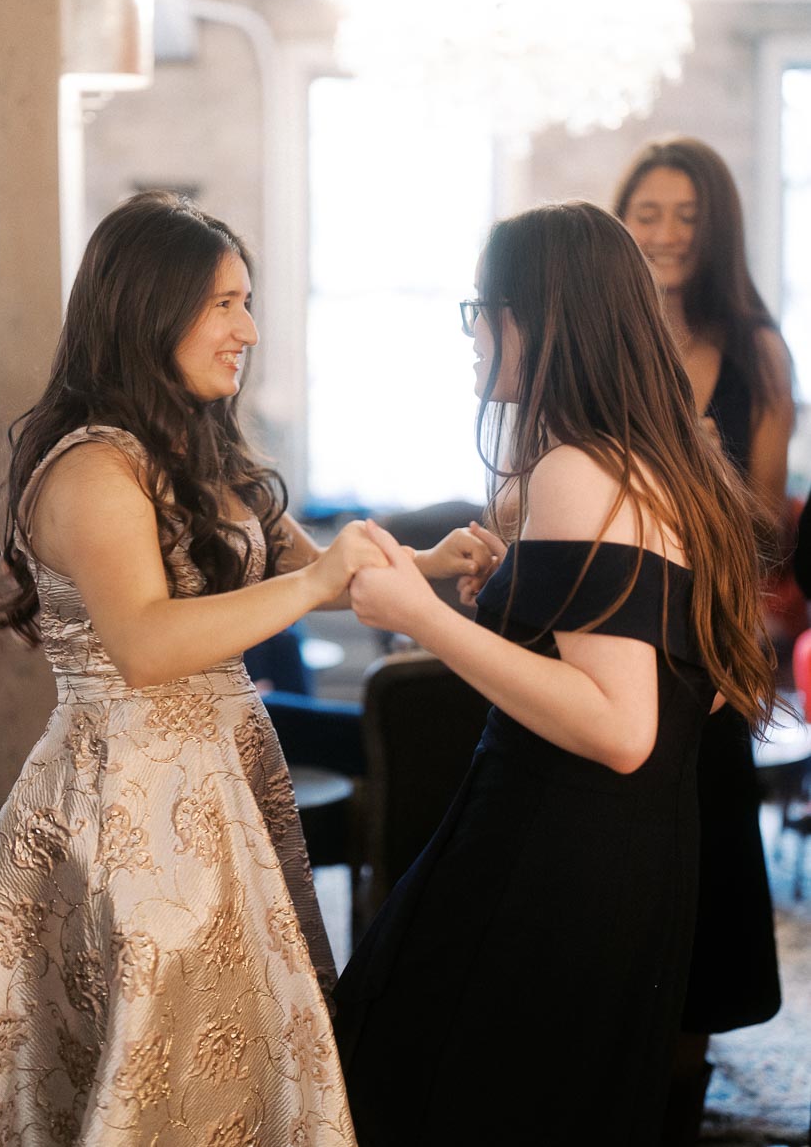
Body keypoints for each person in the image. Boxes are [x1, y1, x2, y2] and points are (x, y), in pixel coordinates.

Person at [0, 191, 494, 1147]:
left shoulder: (197, 448)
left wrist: (427, 570)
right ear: (150, 308)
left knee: (247, 1048)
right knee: (163, 1060)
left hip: (221, 779)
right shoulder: (92, 469)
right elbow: (146, 644)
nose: (248, 329)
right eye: (225, 304)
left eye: (248, 301)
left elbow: (308, 571)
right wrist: (320, 589)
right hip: (129, 804)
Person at [332, 201, 780, 1147]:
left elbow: (621, 729)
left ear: (535, 317)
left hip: (555, 855)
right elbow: (648, 669)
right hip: (632, 859)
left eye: (480, 311)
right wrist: (518, 593)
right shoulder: (668, 460)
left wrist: (423, 618)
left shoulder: (579, 467)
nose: (470, 340)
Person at [613, 136, 792, 1143]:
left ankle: (682, 1088)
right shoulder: (599, 338)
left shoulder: (759, 351)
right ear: (622, 221)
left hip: (707, 649)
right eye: (649, 212)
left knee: (702, 874)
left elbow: (764, 529)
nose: (668, 233)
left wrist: (695, 487)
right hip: (601, 636)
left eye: (687, 214)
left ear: (715, 227)